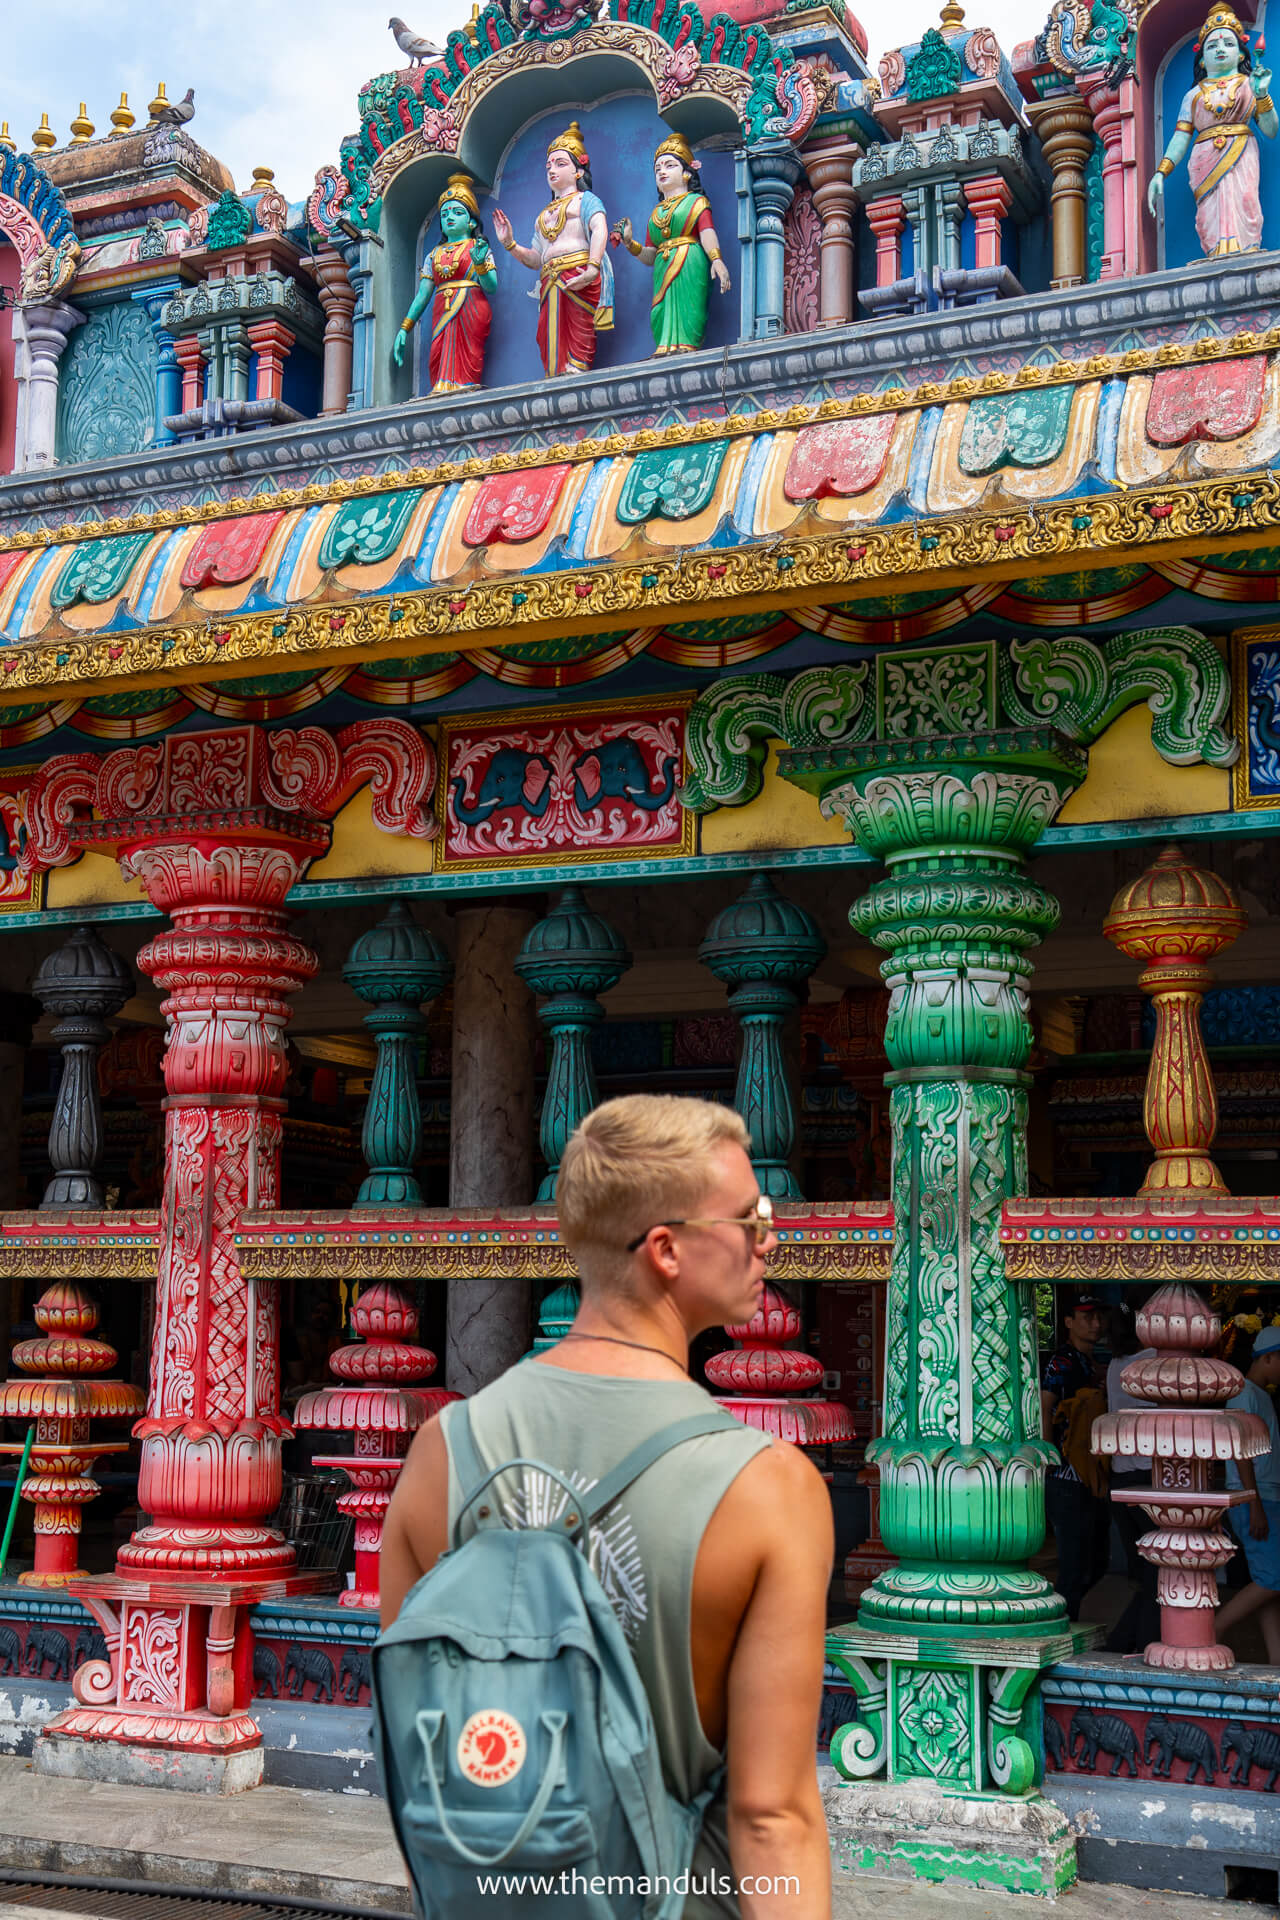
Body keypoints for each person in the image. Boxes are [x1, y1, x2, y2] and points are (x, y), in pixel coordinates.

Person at [380, 1095, 833, 1919]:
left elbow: (419, 1742)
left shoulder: (442, 1450)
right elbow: (772, 1816)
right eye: (749, 1216)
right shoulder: (769, 1486)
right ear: (666, 1249)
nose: (769, 1238)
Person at [1148, 4, 1277, 258]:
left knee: (1246, 200)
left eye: (1228, 44)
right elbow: (1181, 137)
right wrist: (1160, 173)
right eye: (1212, 46)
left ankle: (1246, 250)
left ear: (1241, 54)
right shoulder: (1193, 96)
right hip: (1204, 157)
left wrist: (1262, 95)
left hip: (1241, 150)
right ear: (1202, 59)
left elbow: (1271, 130)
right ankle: (1216, 253)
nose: (1220, 49)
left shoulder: (1249, 85)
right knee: (1209, 213)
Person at [492, 121, 615, 378]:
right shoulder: (543, 215)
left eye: (561, 164)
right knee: (547, 333)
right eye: (549, 166)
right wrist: (510, 244)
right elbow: (536, 259)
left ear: (579, 171)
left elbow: (600, 230)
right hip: (550, 280)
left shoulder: (586, 200)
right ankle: (555, 372)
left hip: (579, 275)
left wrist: (592, 268)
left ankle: (577, 367)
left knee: (579, 326)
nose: (552, 170)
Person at [613, 134, 730, 356]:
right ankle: (665, 346)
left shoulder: (696, 202)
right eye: (657, 169)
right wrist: (629, 243)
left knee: (689, 308)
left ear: (687, 172)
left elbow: (706, 233)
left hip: (689, 261)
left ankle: (685, 344)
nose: (662, 172)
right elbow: (650, 255)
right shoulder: (656, 213)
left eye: (670, 165)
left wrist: (716, 260)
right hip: (662, 266)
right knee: (660, 311)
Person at [1041, 1294, 1111, 1621]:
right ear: (1068, 1322)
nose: (1095, 1324)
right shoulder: (1062, 1363)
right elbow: (1044, 1404)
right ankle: (1060, 1627)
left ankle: (1067, 1619)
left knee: (1096, 1562)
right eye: (1086, 1317)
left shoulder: (1089, 1363)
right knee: (1074, 1566)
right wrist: (1047, 1454)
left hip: (1090, 1475)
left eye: (1098, 1317)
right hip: (1065, 1476)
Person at [393, 174, 496, 394]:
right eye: (445, 213)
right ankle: (443, 387)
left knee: (469, 353)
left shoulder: (477, 248)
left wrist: (480, 265)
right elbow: (422, 295)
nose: (449, 217)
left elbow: (491, 286)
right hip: (442, 310)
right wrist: (404, 328)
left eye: (457, 213)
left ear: (472, 221)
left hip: (471, 309)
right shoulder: (434, 255)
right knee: (438, 352)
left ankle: (464, 385)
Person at [1217, 1323, 1280, 1663]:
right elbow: (1241, 1452)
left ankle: (1276, 1660)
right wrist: (1253, 1502)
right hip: (1257, 1499)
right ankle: (1215, 1629)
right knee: (1273, 1579)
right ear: (1268, 1357)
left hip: (1264, 1497)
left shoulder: (1259, 1393)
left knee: (1270, 1582)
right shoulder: (1244, 1393)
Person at [1102, 1305, 1160, 1654]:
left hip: (1121, 1477)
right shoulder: (1155, 1357)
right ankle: (1141, 1641)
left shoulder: (1114, 1365)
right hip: (1150, 1476)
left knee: (1145, 1571)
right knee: (1161, 1569)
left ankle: (1126, 1641)